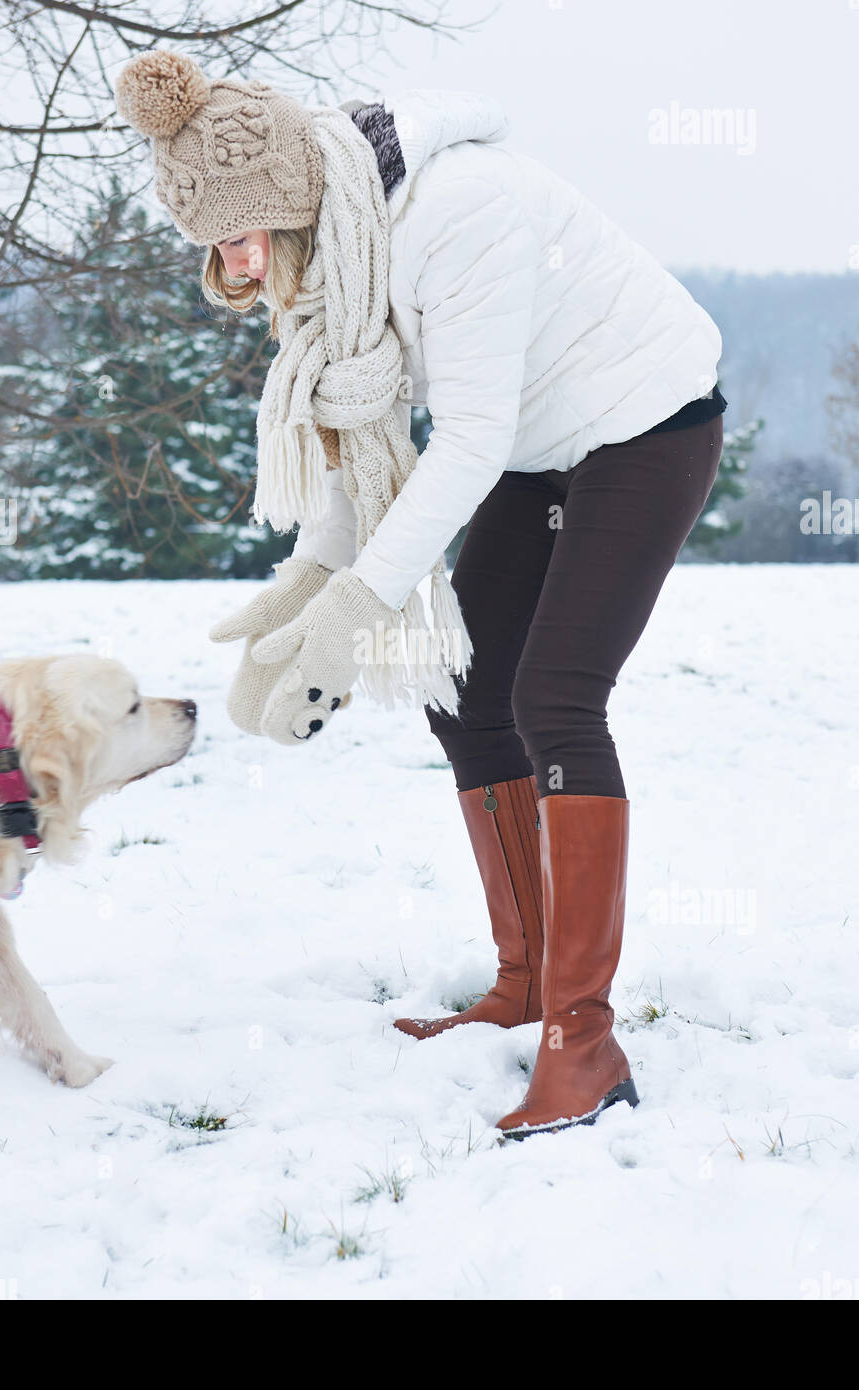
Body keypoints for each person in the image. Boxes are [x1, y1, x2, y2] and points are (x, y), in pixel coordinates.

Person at [115, 51, 726, 1139]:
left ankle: (583, 1045)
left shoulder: (458, 212)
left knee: (555, 699)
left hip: (643, 422)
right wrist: (306, 583)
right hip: (542, 446)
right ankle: (527, 982)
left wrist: (354, 615)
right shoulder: (339, 252)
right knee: (467, 696)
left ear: (282, 200)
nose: (233, 264)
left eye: (235, 233)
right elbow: (368, 444)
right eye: (211, 244)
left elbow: (471, 442)